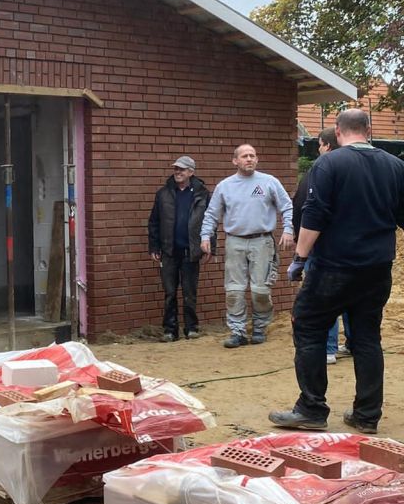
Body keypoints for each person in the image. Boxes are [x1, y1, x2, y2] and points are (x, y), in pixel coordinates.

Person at [269, 109, 404, 434]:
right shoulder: (395, 166)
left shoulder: (329, 164)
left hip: (334, 267)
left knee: (309, 328)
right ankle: (367, 415)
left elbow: (314, 215)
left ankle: (311, 409)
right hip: (377, 269)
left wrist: (300, 257)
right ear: (368, 130)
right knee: (367, 337)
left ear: (338, 132)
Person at [200, 144, 294, 348]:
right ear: (235, 161)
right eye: (244, 156)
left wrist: (288, 229)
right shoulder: (225, 186)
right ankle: (238, 331)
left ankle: (259, 328)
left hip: (262, 241)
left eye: (252, 155)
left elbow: (287, 206)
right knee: (234, 290)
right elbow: (212, 214)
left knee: (260, 290)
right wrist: (205, 235)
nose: (249, 159)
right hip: (235, 242)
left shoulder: (269, 182)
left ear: (257, 159)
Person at [291, 127, 349, 366]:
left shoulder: (320, 170)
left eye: (319, 145)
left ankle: (329, 348)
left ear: (326, 145)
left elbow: (305, 208)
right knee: (350, 297)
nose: (319, 149)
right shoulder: (352, 170)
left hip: (322, 247)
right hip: (351, 247)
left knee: (325, 298)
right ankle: (353, 342)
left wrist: (300, 248)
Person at [148, 155, 214, 341]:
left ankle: (191, 328)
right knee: (169, 292)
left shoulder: (202, 194)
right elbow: (154, 222)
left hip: (190, 251)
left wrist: (211, 246)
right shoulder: (163, 194)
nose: (178, 172)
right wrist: (154, 247)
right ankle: (170, 330)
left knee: (189, 292)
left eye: (182, 169)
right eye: (176, 169)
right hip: (169, 251)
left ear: (191, 172)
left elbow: (210, 221)